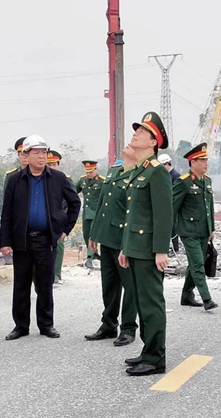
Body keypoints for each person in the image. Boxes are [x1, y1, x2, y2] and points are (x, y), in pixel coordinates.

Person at [0, 135, 81, 341]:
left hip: (46, 240)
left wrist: (65, 228)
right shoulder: (15, 180)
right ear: (26, 155)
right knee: (21, 285)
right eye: (36, 152)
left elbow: (74, 203)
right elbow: (7, 211)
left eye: (44, 152)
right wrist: (5, 241)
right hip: (22, 240)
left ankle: (46, 325)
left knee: (45, 285)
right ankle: (21, 326)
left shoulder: (58, 178)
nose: (41, 157)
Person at [118, 111, 173, 377]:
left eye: (142, 132)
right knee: (142, 303)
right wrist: (125, 248)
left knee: (151, 304)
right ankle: (147, 350)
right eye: (136, 130)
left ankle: (155, 358)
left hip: (150, 250)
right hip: (136, 248)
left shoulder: (157, 172)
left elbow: (163, 214)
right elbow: (133, 214)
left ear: (153, 142)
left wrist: (161, 250)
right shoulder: (141, 170)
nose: (136, 134)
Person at [85, 145, 138, 347]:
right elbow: (102, 204)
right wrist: (94, 233)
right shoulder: (114, 171)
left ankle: (128, 328)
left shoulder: (139, 174)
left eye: (133, 145)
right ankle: (108, 325)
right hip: (107, 238)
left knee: (129, 286)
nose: (128, 146)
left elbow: (136, 212)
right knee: (109, 285)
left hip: (124, 239)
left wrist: (129, 243)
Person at [172, 142, 217, 310]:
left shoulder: (207, 181)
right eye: (202, 160)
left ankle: (186, 295)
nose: (206, 163)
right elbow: (172, 207)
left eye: (206, 160)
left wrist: (211, 229)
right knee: (198, 264)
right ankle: (207, 299)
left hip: (204, 231)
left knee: (195, 263)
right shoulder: (183, 182)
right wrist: (168, 232)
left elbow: (209, 207)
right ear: (192, 162)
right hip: (188, 231)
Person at [46, 149, 73, 284]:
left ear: (58, 164)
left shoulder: (65, 179)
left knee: (58, 245)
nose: (52, 167)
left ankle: (56, 274)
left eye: (54, 164)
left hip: (59, 218)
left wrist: (65, 222)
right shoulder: (39, 178)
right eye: (49, 164)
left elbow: (72, 202)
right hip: (44, 219)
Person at [75, 160, 105, 269]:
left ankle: (89, 258)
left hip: (96, 213)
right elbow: (73, 191)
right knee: (86, 234)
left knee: (92, 234)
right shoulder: (82, 180)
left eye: (90, 171)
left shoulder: (102, 182)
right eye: (87, 172)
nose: (88, 174)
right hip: (86, 213)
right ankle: (94, 254)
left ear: (95, 169)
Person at [159, 153, 180, 254]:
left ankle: (175, 247)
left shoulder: (175, 176)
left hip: (171, 206)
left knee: (173, 227)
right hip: (165, 205)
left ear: (167, 164)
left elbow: (175, 193)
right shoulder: (166, 175)